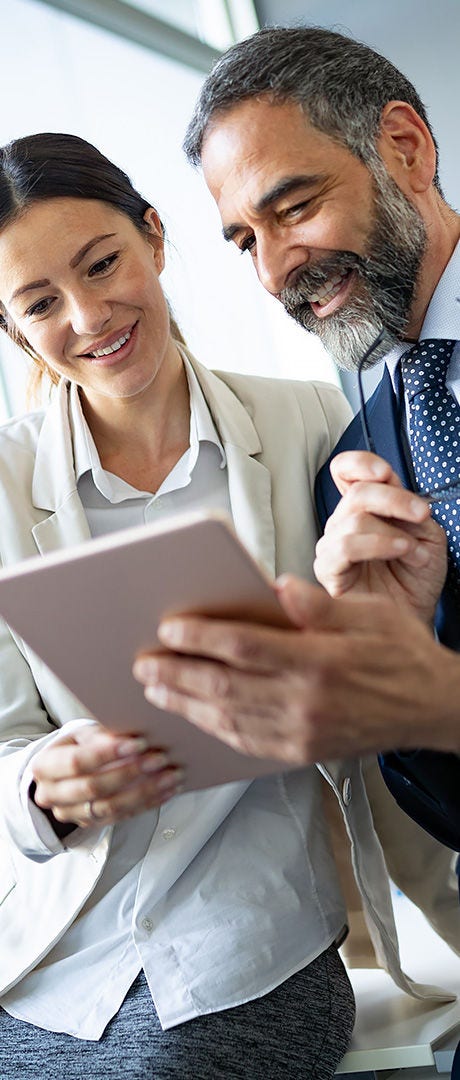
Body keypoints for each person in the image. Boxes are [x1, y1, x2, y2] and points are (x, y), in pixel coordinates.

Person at [0, 128, 420, 1080]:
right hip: (53, 954)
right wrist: (39, 791)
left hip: (249, 943)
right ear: (12, 326)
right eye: (39, 303)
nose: (89, 314)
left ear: (154, 238)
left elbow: (393, 663)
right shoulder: (2, 482)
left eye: (104, 263)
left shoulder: (313, 422)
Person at [133, 25, 460, 854]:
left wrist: (438, 698)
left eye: (294, 208)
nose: (275, 272)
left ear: (406, 149)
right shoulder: (354, 475)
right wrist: (397, 669)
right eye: (246, 240)